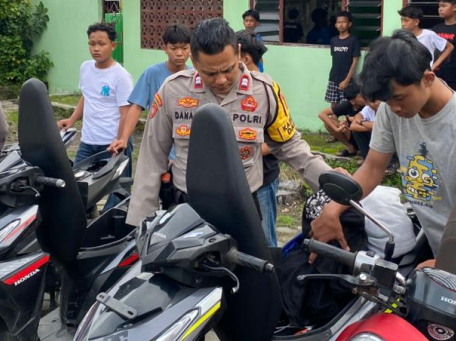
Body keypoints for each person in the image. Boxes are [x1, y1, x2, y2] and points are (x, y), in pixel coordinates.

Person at [128, 17, 335, 227]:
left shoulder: (265, 91)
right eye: (210, 73)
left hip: (243, 208)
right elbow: (152, 157)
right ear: (194, 61)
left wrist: (332, 184)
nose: (221, 80)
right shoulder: (173, 90)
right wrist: (141, 224)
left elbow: (290, 146)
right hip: (187, 209)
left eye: (228, 70)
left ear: (238, 53)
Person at [310, 30, 456, 258]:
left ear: (428, 79)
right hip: (432, 242)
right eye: (386, 101)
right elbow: (373, 168)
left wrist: (448, 264)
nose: (394, 108)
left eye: (399, 98)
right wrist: (334, 209)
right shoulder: (392, 110)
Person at [58, 23, 134, 171]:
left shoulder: (121, 76)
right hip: (88, 142)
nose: (96, 48)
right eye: (92, 44)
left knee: (116, 185)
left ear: (113, 46)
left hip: (111, 143)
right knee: (78, 182)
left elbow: (126, 114)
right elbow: (86, 96)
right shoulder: (85, 68)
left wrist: (119, 142)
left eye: (101, 44)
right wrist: (71, 119)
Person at [110, 24, 190, 156]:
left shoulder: (196, 76)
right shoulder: (152, 73)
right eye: (174, 48)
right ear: (165, 48)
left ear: (190, 48)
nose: (179, 53)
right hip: (158, 147)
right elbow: (136, 107)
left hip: (186, 150)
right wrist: (124, 138)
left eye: (184, 48)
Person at [237, 32, 282, 245]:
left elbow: (278, 141)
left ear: (245, 58)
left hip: (263, 178)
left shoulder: (268, 89)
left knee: (265, 241)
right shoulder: (233, 89)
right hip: (237, 179)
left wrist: (239, 155)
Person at [398, 5, 453, 73]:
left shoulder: (429, 35)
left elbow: (450, 47)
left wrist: (433, 67)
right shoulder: (401, 36)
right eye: (401, 20)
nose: (403, 24)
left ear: (416, 22)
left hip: (424, 74)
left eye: (406, 21)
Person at [318, 83, 366, 156]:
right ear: (352, 101)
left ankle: (364, 151)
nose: (365, 98)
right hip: (351, 133)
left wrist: (348, 119)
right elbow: (322, 114)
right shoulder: (347, 105)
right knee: (329, 123)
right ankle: (351, 148)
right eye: (361, 97)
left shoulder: (369, 105)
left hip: (365, 133)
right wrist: (337, 129)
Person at [326, 10, 360, 103]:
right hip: (333, 78)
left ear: (349, 24)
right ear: (335, 25)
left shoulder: (353, 40)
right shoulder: (333, 40)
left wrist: (347, 80)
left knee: (345, 105)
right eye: (339, 22)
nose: (341, 25)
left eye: (344, 22)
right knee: (333, 106)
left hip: (347, 80)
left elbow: (355, 62)